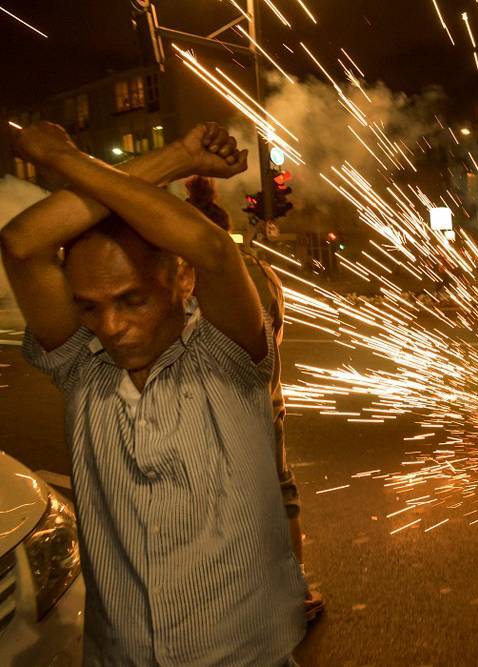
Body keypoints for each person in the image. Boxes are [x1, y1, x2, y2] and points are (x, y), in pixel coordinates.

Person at [0, 121, 306, 665]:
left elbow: (211, 249)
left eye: (131, 300)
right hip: (120, 656)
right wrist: (174, 158)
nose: (111, 326)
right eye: (89, 306)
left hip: (241, 655)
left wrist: (60, 157)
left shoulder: (226, 356)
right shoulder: (82, 365)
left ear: (181, 282)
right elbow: (23, 244)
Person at [185, 175, 325, 621]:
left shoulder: (177, 277)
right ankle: (291, 593)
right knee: (278, 494)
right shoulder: (257, 272)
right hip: (259, 404)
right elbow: (274, 335)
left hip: (198, 409)